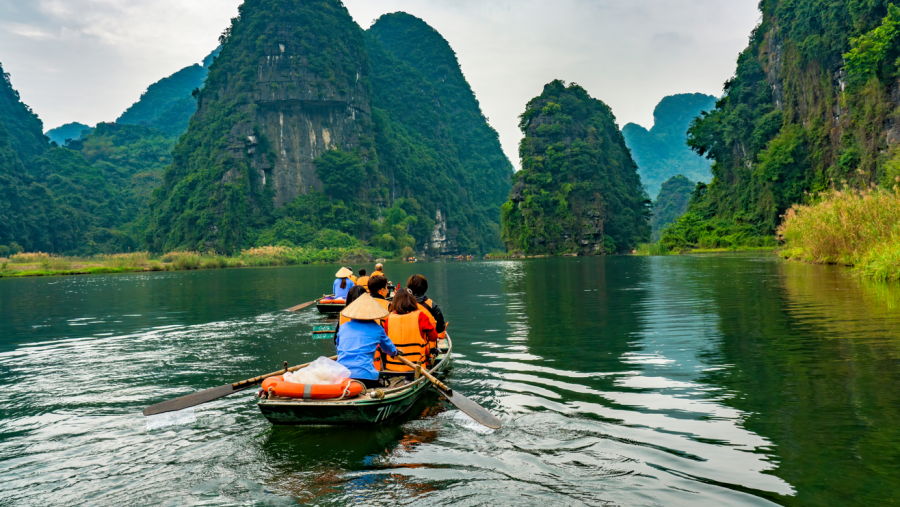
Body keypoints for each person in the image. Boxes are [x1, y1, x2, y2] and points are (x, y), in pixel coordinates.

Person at [335, 294, 398, 389]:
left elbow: (338, 346)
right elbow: (389, 350)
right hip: (366, 376)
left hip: (342, 376)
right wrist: (395, 352)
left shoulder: (343, 327)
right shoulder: (377, 328)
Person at [381, 289, 439, 373]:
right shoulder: (421, 316)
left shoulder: (389, 318)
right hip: (415, 367)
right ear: (412, 300)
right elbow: (434, 337)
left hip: (392, 367)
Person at [406, 274, 447, 339]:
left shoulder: (403, 303)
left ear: (409, 288)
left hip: (406, 340)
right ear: (425, 288)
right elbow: (440, 327)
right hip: (428, 343)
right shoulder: (431, 304)